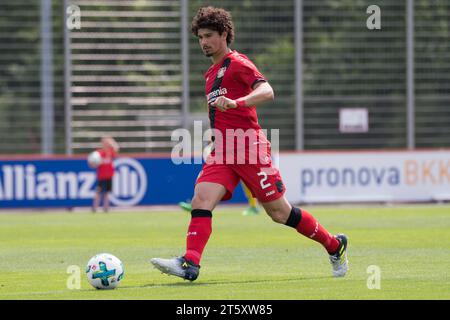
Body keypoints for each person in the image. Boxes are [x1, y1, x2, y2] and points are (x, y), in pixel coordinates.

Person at [151, 7, 348, 281]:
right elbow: (222, 112)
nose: (203, 42)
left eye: (208, 36)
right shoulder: (210, 75)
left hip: (249, 149)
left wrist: (237, 102)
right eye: (199, 37)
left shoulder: (238, 63)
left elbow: (267, 91)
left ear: (223, 34)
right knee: (201, 199)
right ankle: (190, 263)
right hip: (223, 150)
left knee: (280, 213)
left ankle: (335, 246)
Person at [180, 181, 260, 216]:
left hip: (240, 154)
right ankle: (198, 204)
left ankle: (254, 206)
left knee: (246, 181)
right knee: (208, 176)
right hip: (228, 154)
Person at [92, 137, 119, 213]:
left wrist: (112, 142)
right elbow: (92, 163)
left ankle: (106, 208)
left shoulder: (111, 152)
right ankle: (95, 207)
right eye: (104, 142)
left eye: (107, 143)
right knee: (98, 191)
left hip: (109, 175)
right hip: (101, 176)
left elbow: (117, 148)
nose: (106, 144)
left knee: (107, 192)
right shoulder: (99, 153)